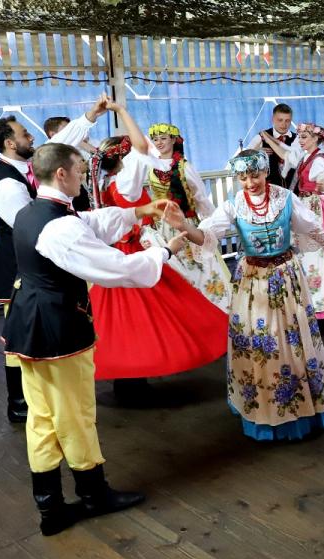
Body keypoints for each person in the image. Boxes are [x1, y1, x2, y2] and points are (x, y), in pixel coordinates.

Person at [2, 141, 187, 536]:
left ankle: (50, 507)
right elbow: (117, 268)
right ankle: (93, 494)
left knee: (43, 418)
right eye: (80, 169)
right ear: (62, 174)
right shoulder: (59, 225)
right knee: (76, 415)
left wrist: (139, 211)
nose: (85, 175)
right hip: (57, 330)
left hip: (29, 326)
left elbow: (90, 222)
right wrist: (165, 252)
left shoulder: (33, 211)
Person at [163, 150, 324, 441]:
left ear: (265, 172)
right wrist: (184, 226)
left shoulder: (285, 198)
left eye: (255, 175)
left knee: (292, 338)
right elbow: (207, 236)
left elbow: (313, 229)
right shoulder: (234, 205)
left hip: (285, 276)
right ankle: (264, 410)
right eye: (243, 178)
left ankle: (302, 406)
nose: (250, 183)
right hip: (253, 281)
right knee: (260, 341)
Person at [0, 93, 110, 423]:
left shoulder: (28, 165)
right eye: (25, 134)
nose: (32, 137)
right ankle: (20, 404)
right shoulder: (5, 185)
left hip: (40, 270)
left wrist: (91, 115)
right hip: (21, 271)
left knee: (41, 335)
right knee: (20, 340)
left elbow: (59, 143)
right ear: (10, 143)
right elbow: (33, 230)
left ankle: (49, 398)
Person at [87, 102, 228, 383]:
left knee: (123, 315)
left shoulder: (105, 181)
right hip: (135, 245)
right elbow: (141, 147)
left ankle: (128, 370)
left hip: (121, 246)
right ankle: (146, 364)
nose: (154, 144)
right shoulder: (125, 182)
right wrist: (121, 110)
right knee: (161, 306)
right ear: (125, 157)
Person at [262, 122, 324, 319]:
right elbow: (287, 155)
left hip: (314, 207)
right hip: (306, 204)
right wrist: (268, 138)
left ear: (316, 138)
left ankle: (318, 303)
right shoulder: (307, 156)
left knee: (316, 251)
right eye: (300, 137)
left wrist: (321, 187)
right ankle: (306, 300)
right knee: (303, 250)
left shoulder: (318, 159)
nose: (300, 141)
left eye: (304, 137)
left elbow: (323, 182)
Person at [145, 122, 233, 312]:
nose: (159, 142)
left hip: (186, 225)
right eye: (155, 139)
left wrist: (210, 226)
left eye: (163, 138)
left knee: (201, 270)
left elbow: (201, 198)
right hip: (163, 228)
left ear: (173, 140)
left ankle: (209, 308)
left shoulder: (185, 166)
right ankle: (183, 310)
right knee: (173, 269)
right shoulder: (151, 166)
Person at [247, 103, 296, 187]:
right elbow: (243, 157)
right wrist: (257, 153)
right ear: (273, 119)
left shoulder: (298, 139)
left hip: (293, 189)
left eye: (287, 120)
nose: (284, 124)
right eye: (280, 120)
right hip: (269, 188)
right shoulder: (262, 136)